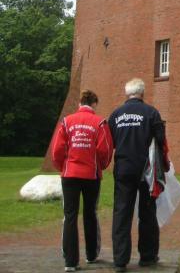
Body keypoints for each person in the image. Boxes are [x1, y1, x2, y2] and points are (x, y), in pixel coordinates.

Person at [108, 78, 169, 272]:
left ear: (127, 93)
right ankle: (147, 256)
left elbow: (110, 141)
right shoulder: (151, 113)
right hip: (146, 170)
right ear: (142, 93)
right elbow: (161, 140)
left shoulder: (116, 114)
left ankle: (120, 260)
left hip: (123, 169)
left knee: (121, 213)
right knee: (147, 213)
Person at [50, 89, 113, 273]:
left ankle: (70, 261)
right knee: (90, 213)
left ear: (79, 103)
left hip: (69, 174)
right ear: (94, 104)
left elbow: (57, 150)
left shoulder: (66, 121)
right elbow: (105, 150)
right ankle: (91, 254)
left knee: (70, 216)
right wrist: (100, 166)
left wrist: (62, 166)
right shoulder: (100, 122)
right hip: (91, 175)